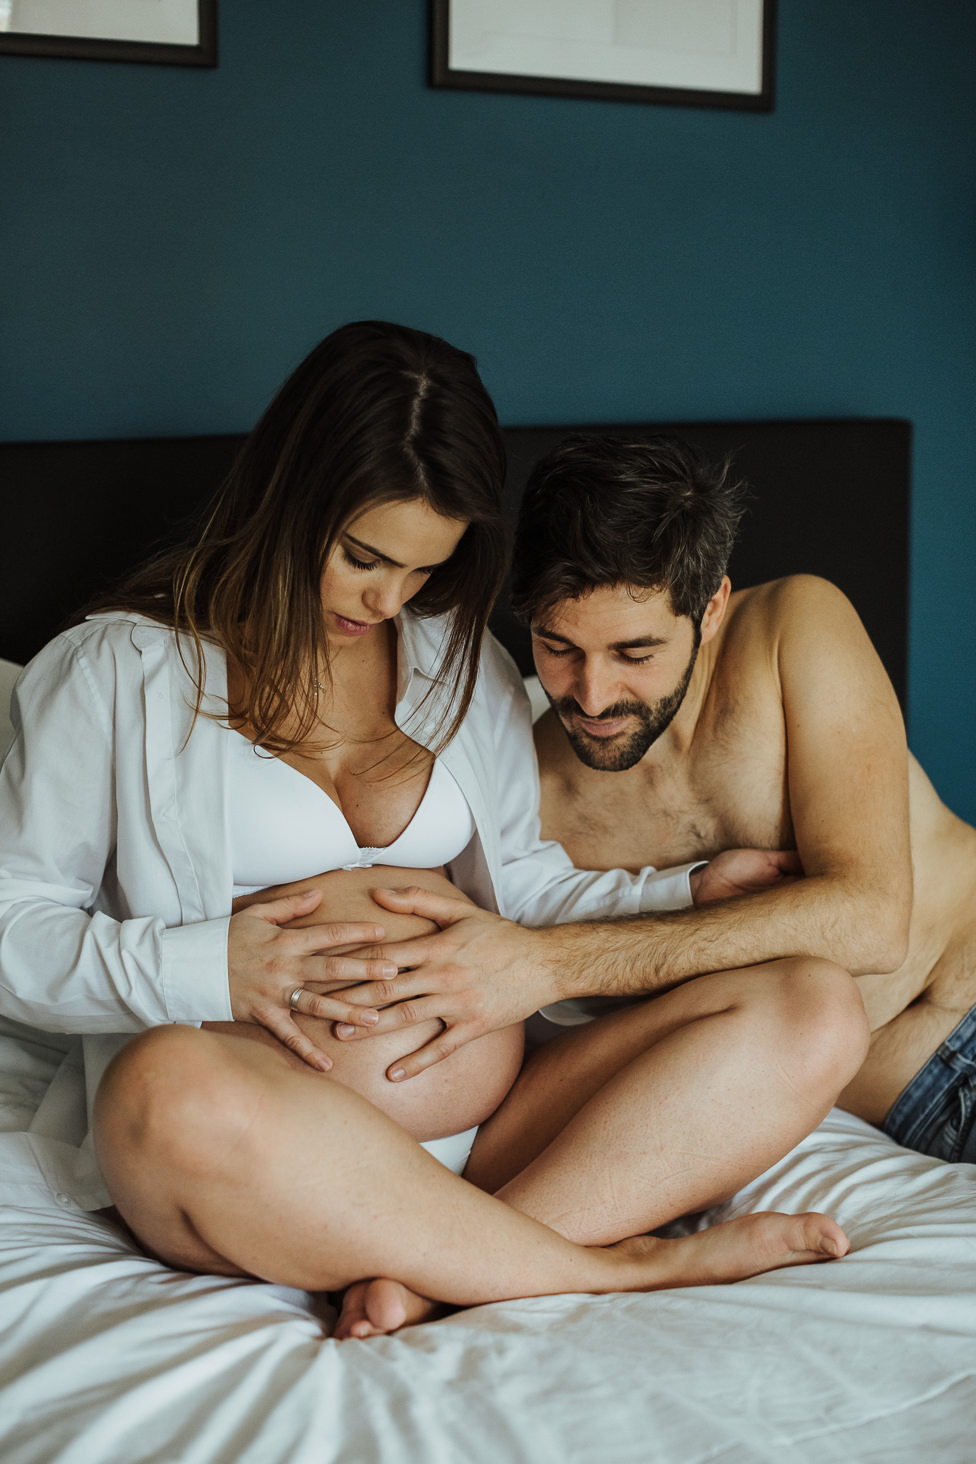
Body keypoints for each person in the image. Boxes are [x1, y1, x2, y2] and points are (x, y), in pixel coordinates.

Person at [0, 331, 867, 1343]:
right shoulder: (116, 672)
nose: (388, 602)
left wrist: (683, 895)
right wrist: (214, 969)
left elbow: (526, 893)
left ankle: (445, 1268)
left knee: (812, 1004)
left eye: (424, 569)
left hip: (491, 1136)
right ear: (288, 499)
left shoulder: (453, 655)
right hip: (261, 1148)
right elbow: (14, 933)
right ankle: (618, 1269)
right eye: (364, 558)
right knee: (161, 1088)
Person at [339, 431, 973, 1168]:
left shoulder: (789, 630)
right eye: (558, 646)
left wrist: (554, 963)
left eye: (634, 654)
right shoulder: (523, 797)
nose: (593, 696)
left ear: (709, 611)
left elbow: (870, 922)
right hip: (908, 1100)